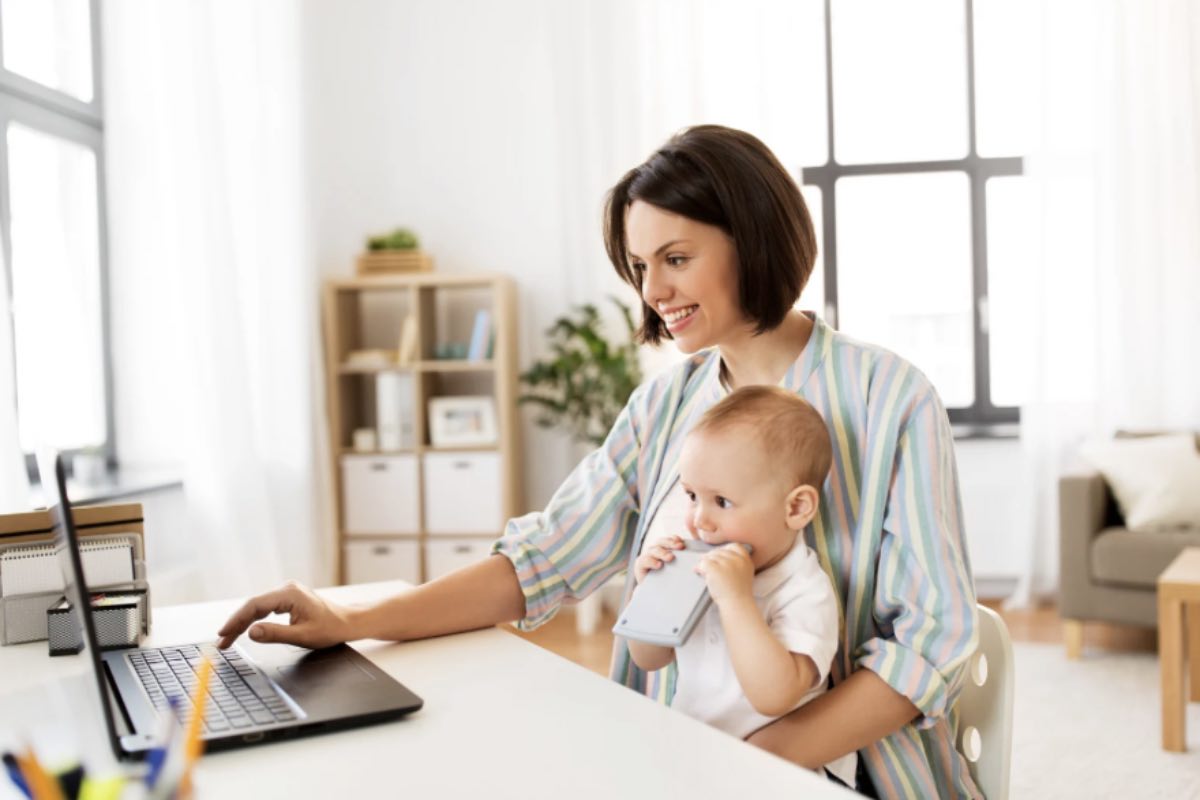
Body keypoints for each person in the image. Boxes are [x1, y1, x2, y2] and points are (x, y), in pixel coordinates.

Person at [216, 125, 979, 799]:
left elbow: (930, 644)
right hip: (685, 762)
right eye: (640, 265)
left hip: (843, 774)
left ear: (753, 238)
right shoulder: (663, 407)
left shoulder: (891, 399)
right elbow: (543, 559)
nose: (653, 291)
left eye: (676, 258)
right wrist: (352, 617)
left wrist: (751, 768)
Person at [625, 385, 856, 787]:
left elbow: (774, 696)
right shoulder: (701, 567)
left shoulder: (805, 590)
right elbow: (648, 658)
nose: (699, 520)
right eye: (692, 496)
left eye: (722, 502)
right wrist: (649, 594)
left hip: (782, 776)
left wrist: (735, 599)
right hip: (696, 757)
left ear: (796, 508)